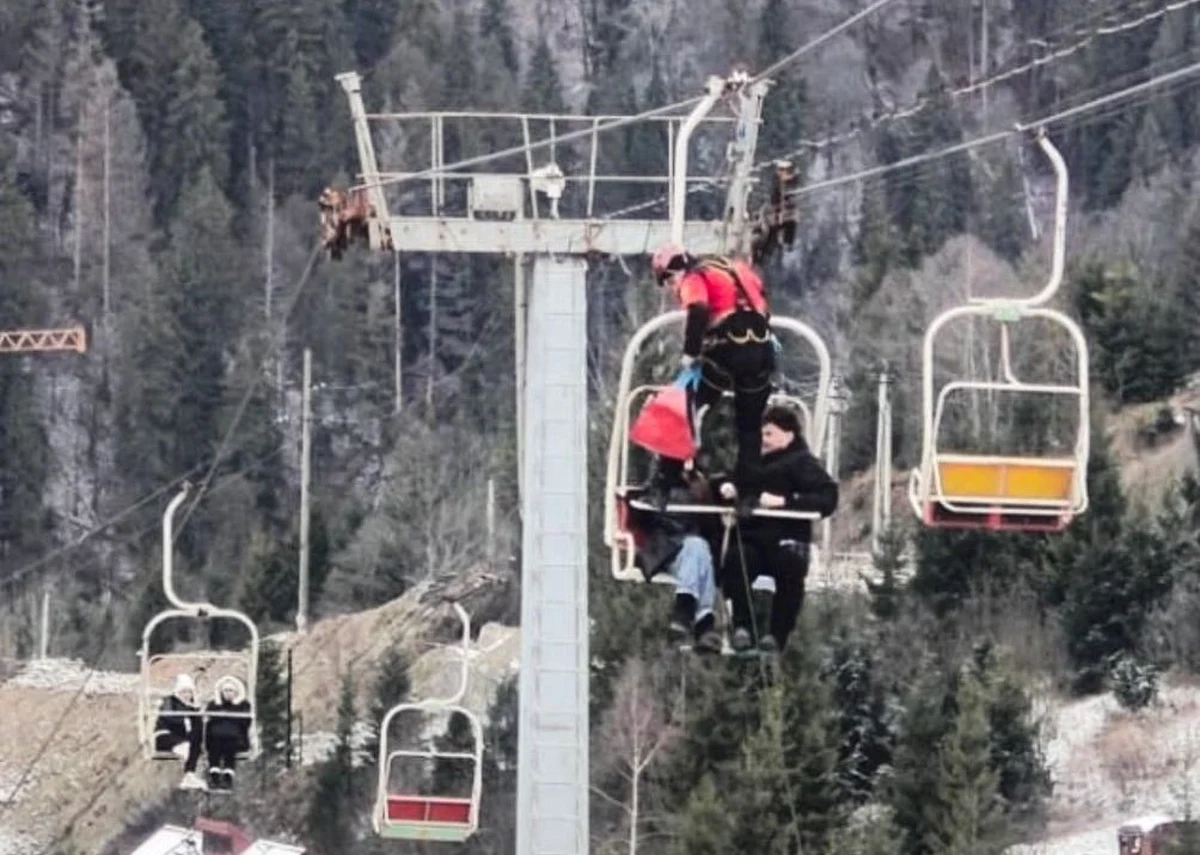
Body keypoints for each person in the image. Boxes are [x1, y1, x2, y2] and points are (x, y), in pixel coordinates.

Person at [646, 244, 775, 509]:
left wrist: (690, 353)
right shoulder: (737, 271)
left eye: (669, 280)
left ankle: (664, 482)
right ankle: (749, 494)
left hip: (727, 351)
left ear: (675, 270)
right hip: (761, 351)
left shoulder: (694, 277)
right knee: (749, 426)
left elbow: (699, 310)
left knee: (682, 409)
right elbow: (763, 304)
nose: (672, 287)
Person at [718, 405, 838, 654]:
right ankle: (742, 626)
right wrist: (727, 487)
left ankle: (777, 633)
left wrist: (786, 502)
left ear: (789, 434)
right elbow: (730, 477)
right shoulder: (753, 462)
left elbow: (827, 497)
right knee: (738, 558)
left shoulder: (801, 463)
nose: (764, 440)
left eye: (770, 434)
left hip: (787, 538)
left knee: (790, 567)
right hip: (754, 538)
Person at [626, 471, 724, 653]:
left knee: (700, 549)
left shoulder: (701, 484)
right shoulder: (658, 482)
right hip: (665, 550)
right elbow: (644, 517)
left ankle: (690, 615)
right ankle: (701, 620)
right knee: (697, 547)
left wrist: (705, 497)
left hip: (694, 555)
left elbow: (712, 526)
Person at [153, 673, 206, 790]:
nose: (187, 695)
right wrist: (186, 715)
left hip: (180, 738)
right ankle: (189, 774)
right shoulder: (169, 701)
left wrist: (196, 713)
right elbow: (170, 718)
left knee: (194, 745)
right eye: (184, 692)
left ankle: (189, 775)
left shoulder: (191, 707)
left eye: (189, 692)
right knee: (188, 747)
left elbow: (198, 727)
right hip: (164, 735)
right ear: (178, 692)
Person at [204, 675, 252, 791]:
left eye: (231, 690)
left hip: (235, 737)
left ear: (236, 692)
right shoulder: (214, 704)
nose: (228, 693)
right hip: (216, 737)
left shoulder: (243, 705)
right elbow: (209, 722)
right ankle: (214, 776)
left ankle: (227, 777)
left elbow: (245, 722)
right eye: (226, 690)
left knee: (229, 749)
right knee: (214, 750)